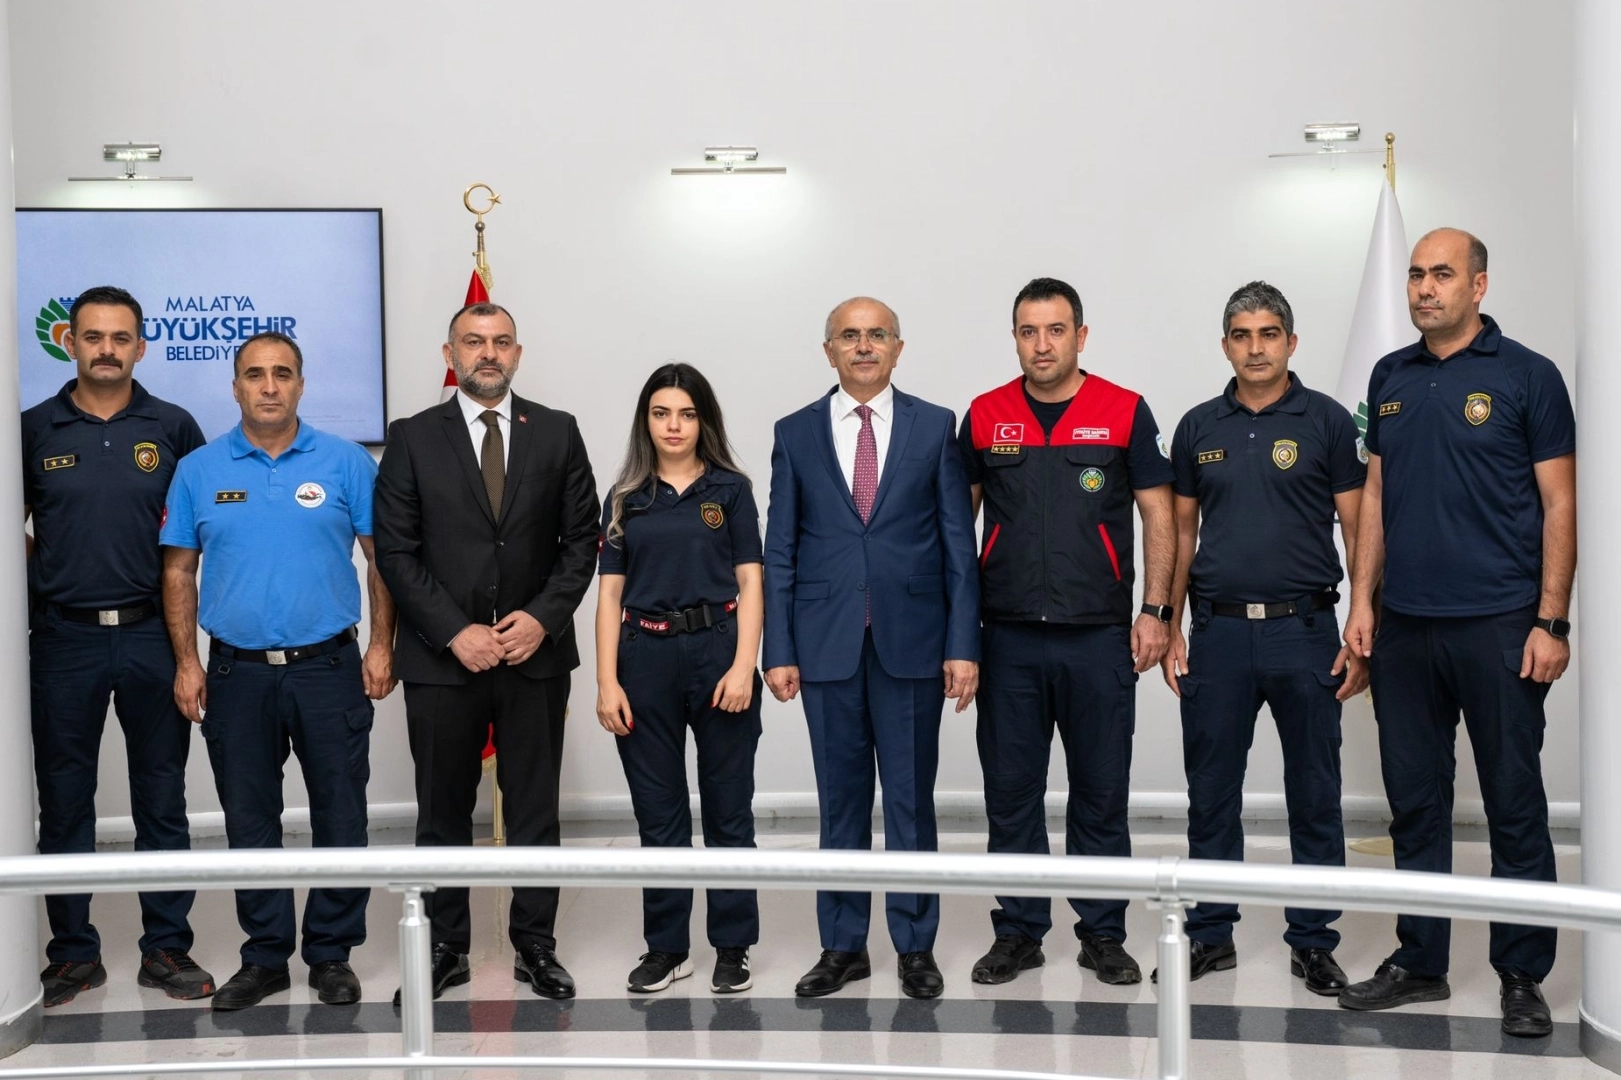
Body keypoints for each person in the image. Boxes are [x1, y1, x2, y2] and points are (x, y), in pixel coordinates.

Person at [1339, 229, 1575, 1039]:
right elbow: (1374, 495)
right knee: (1414, 804)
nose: (1423, 288)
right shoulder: (1389, 376)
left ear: (1477, 286)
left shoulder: (1527, 376)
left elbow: (1559, 503)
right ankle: (1420, 961)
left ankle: (1521, 973)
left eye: (1441, 274)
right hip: (1403, 628)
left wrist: (1550, 620)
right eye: (1415, 274)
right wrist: (1361, 601)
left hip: (1500, 625)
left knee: (1513, 804)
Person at [160, 331, 396, 1011]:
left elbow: (382, 560)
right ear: (235, 386)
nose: (269, 386)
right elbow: (178, 572)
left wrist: (382, 647)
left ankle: (331, 953)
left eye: (283, 374)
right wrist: (187, 663)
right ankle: (264, 957)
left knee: (341, 813)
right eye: (255, 375)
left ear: (301, 384)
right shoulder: (198, 469)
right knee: (249, 817)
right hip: (235, 675)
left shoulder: (346, 462)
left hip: (329, 667)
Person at [373, 302, 599, 1003]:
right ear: (451, 354)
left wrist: (541, 618)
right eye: (473, 342)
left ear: (518, 354)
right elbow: (396, 552)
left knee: (534, 811)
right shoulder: (412, 437)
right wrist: (454, 631)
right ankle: (445, 949)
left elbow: (582, 542)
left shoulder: (557, 431)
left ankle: (535, 945)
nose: (488, 353)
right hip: (443, 661)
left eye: (501, 342)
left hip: (535, 657)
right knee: (441, 813)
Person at [960, 276, 1174, 988]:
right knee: (1011, 795)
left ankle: (1102, 934)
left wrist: (1156, 611)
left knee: (1100, 794)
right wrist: (958, 635)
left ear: (1080, 336)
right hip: (1008, 640)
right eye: (1028, 331)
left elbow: (1159, 514)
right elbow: (957, 529)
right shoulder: (985, 415)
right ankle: (1018, 932)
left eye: (1056, 330)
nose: (1042, 344)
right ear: (1014, 338)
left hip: (1097, 638)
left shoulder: (1124, 410)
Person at [763, 297, 979, 1000]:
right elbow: (780, 548)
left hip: (913, 644)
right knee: (841, 803)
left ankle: (916, 946)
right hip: (824, 645)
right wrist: (778, 648)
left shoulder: (934, 426)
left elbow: (958, 545)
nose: (863, 346)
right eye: (849, 336)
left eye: (876, 334)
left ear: (897, 348)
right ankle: (842, 945)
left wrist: (963, 643)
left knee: (912, 801)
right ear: (828, 350)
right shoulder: (795, 432)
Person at [1160, 281, 1366, 992]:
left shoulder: (1327, 421)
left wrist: (1361, 620)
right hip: (1217, 634)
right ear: (1225, 345)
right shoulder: (1197, 427)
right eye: (1242, 335)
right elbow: (1180, 534)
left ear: (1291, 342)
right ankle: (1209, 934)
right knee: (1211, 793)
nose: (1256, 348)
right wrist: (1169, 623)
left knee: (1315, 792)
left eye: (1269, 334)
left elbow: (1357, 528)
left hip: (1305, 631)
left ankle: (1312, 940)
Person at [23, 285, 212, 1007]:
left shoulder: (174, 426)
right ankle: (73, 954)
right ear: (69, 342)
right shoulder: (32, 429)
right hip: (62, 639)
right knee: (64, 799)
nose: (107, 349)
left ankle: (166, 947)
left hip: (151, 636)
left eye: (121, 337)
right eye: (94, 336)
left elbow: (197, 537)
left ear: (141, 345)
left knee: (161, 797)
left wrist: (191, 648)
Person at [594, 363, 764, 995]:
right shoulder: (625, 497)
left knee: (728, 809)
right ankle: (667, 948)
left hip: (718, 651)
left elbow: (751, 582)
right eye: (662, 413)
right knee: (659, 813)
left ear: (703, 421)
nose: (674, 426)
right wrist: (607, 681)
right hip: (644, 658)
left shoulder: (731, 491)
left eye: (687, 414)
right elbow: (608, 597)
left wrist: (743, 664)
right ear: (646, 421)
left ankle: (733, 946)